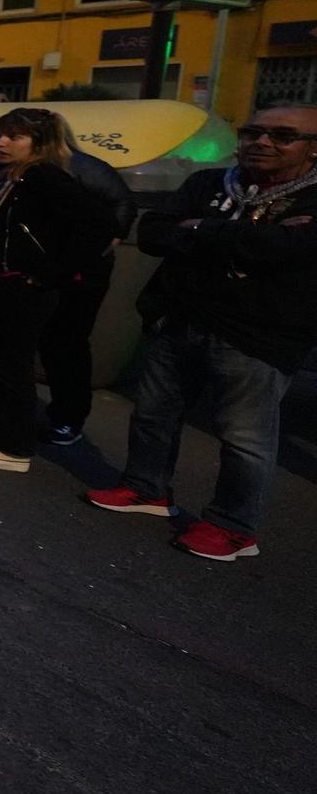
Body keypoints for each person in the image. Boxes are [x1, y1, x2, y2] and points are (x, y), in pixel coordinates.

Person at [86, 106, 317, 561]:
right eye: (253, 131)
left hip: (258, 336)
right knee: (154, 414)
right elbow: (153, 232)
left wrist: (200, 230)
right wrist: (237, 237)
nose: (262, 142)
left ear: (312, 147)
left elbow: (290, 251)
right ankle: (146, 488)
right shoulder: (210, 183)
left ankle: (233, 526)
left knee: (244, 437)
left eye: (282, 136)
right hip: (180, 319)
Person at [0, 109, 104, 474]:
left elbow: (98, 224)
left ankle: (15, 446)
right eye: (0, 135)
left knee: (12, 366)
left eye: (15, 137)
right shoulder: (12, 177)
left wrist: (48, 273)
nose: (1, 143)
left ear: (39, 143)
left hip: (23, 286)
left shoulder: (44, 176)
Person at [38, 133, 137, 447]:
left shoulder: (81, 166)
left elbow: (123, 202)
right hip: (48, 265)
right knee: (48, 341)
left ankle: (69, 417)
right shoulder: (37, 167)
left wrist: (108, 242)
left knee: (67, 342)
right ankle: (55, 411)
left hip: (81, 270)